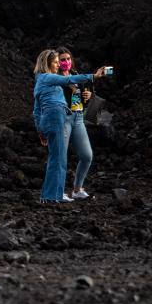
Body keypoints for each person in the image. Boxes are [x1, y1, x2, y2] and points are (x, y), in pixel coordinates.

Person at [32, 49, 106, 203]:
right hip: (59, 118)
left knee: (62, 158)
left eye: (64, 60)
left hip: (66, 117)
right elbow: (66, 82)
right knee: (58, 159)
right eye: (57, 61)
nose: (60, 64)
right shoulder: (49, 77)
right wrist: (94, 76)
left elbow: (36, 110)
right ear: (47, 63)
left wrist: (40, 129)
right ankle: (53, 195)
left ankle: (54, 194)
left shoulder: (42, 79)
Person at [56, 46, 94, 200]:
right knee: (60, 156)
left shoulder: (76, 75)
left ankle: (77, 189)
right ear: (57, 62)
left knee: (86, 155)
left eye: (68, 59)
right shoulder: (56, 79)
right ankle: (57, 192)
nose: (66, 62)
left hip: (78, 117)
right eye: (63, 60)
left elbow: (83, 99)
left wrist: (87, 96)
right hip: (63, 118)